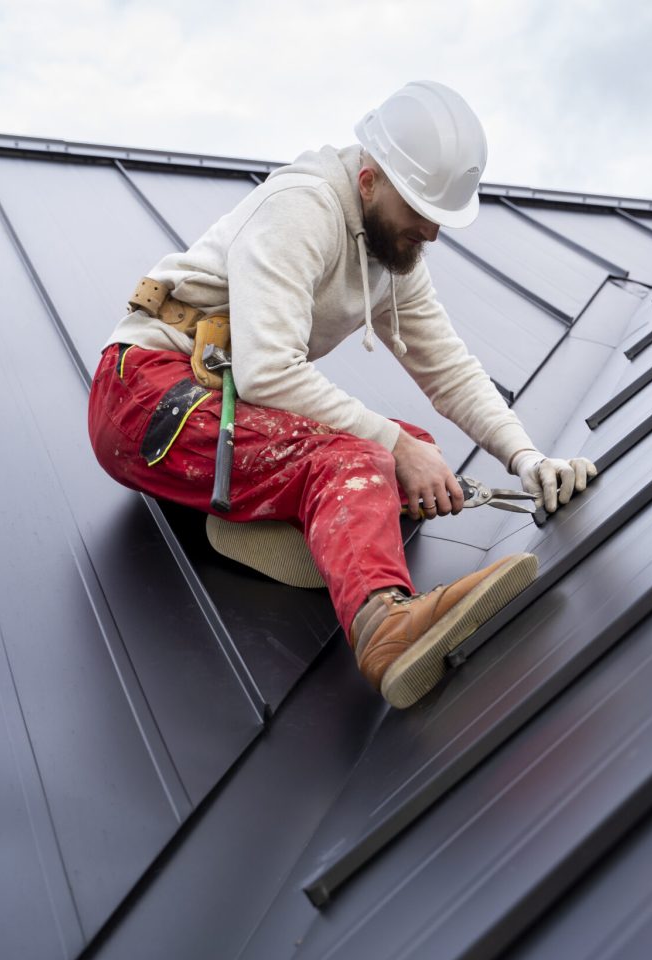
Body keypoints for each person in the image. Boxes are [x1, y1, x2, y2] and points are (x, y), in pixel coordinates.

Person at [88, 80, 596, 709]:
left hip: (217, 404)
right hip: (144, 396)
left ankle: (261, 522)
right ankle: (385, 625)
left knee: (414, 452)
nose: (431, 233)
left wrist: (527, 459)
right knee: (361, 459)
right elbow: (268, 371)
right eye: (420, 211)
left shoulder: (393, 252)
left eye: (440, 217)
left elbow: (450, 371)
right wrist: (385, 450)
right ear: (369, 181)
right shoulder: (303, 208)